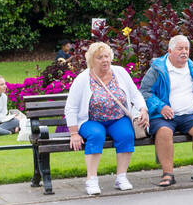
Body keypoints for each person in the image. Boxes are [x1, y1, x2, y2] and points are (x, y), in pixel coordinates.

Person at [63, 41, 149, 195]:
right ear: (91, 60)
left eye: (107, 56)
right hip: (91, 120)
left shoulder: (120, 72)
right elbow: (71, 107)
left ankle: (121, 177)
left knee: (126, 134)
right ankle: (92, 179)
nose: (105, 60)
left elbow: (135, 94)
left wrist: (143, 109)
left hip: (117, 117)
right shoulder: (83, 79)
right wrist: (74, 133)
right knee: (96, 135)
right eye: (99, 57)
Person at [139, 34, 193, 186]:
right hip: (163, 117)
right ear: (170, 51)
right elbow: (144, 91)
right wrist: (160, 106)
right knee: (164, 132)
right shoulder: (157, 69)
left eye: (187, 49)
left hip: (188, 116)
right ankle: (168, 174)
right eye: (180, 48)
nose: (184, 52)